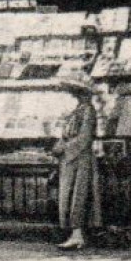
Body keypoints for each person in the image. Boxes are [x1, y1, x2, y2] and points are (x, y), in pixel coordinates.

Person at [51, 74, 98, 251]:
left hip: (80, 158)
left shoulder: (88, 110)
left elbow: (84, 138)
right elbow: (68, 134)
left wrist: (65, 148)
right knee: (70, 195)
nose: (74, 95)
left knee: (78, 195)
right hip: (71, 158)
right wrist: (60, 145)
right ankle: (75, 233)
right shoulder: (78, 110)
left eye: (77, 92)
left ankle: (78, 234)